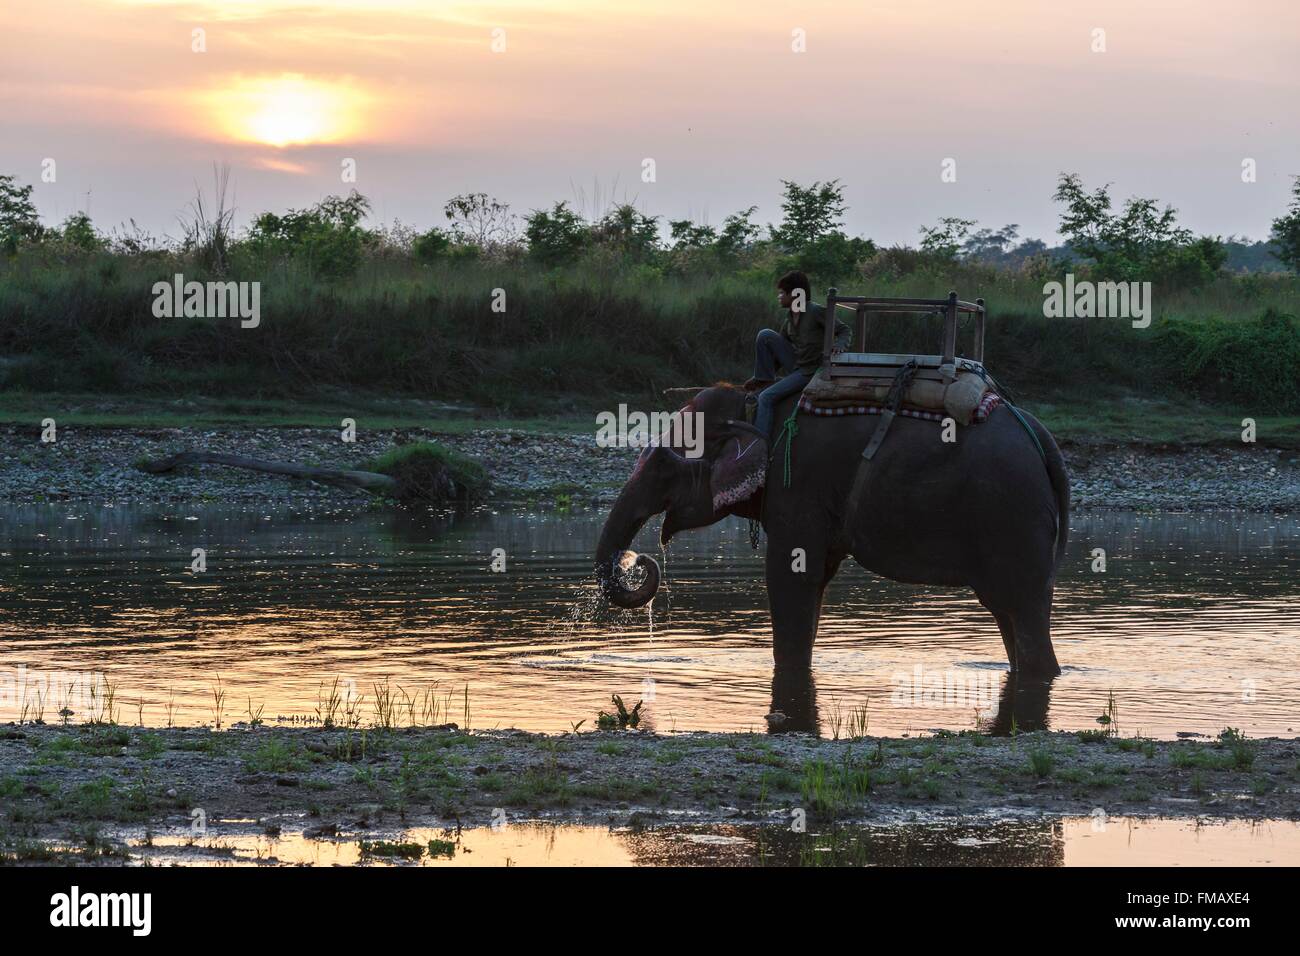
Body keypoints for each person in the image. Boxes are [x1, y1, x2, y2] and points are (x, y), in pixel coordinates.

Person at [744, 270, 852, 439]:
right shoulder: (789, 319)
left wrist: (839, 345)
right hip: (797, 364)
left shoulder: (815, 311)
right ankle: (763, 378)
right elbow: (779, 350)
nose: (779, 297)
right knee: (765, 335)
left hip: (810, 370)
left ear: (794, 295)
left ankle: (759, 444)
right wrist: (759, 375)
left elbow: (844, 330)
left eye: (781, 293)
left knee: (765, 398)